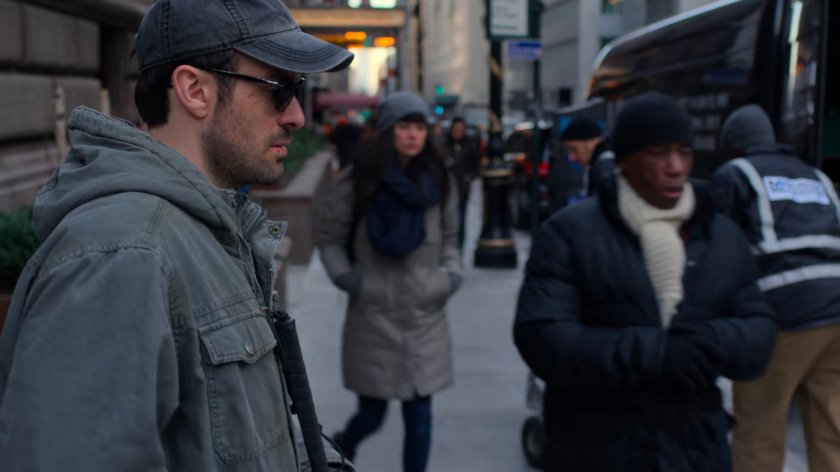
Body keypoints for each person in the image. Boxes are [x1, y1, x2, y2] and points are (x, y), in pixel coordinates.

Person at [0, 0, 353, 470]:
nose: (296, 116)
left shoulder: (201, 231)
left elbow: (231, 432)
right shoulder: (125, 255)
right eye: (280, 89)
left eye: (299, 90)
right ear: (194, 90)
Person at [513, 92, 778, 471]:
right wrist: (655, 353)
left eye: (684, 153)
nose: (675, 167)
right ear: (625, 160)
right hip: (596, 448)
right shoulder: (570, 233)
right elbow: (543, 338)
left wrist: (710, 342)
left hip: (693, 449)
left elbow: (759, 333)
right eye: (658, 153)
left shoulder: (720, 234)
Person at [314, 91, 462, 472]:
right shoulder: (358, 180)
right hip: (374, 312)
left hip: (425, 313)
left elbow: (451, 237)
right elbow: (329, 238)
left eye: (420, 127)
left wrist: (449, 277)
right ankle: (345, 445)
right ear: (387, 130)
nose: (413, 135)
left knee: (420, 416)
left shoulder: (439, 180)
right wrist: (350, 280)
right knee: (371, 415)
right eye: (405, 126)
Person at [710, 104, 840, 472]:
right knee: (831, 427)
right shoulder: (816, 176)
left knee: (759, 429)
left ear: (734, 145)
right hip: (837, 309)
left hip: (785, 311)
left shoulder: (736, 173)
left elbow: (719, 248)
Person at [439, 116, 481, 249]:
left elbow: (476, 167)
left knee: (461, 219)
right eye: (456, 130)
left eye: (460, 130)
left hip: (462, 189)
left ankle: (459, 247)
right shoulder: (444, 145)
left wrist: (468, 178)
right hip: (445, 189)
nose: (458, 133)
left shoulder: (470, 145)